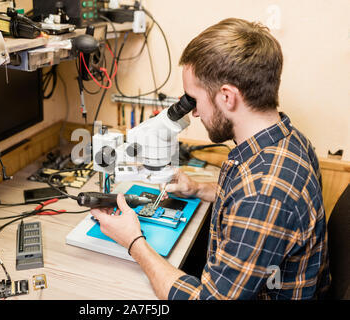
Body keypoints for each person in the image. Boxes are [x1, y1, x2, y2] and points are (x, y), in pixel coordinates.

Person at [91, 18, 330, 300]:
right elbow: (250, 202)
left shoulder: (263, 192)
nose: (193, 113)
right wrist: (199, 189)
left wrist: (133, 242)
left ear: (227, 96)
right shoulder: (289, 140)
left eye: (194, 99)